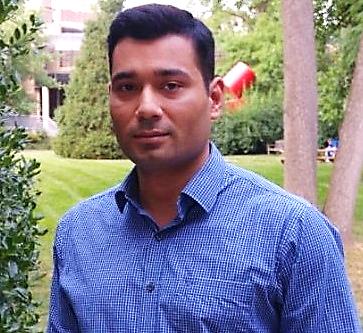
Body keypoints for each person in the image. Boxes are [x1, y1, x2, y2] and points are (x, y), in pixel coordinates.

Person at [47, 4, 362, 332]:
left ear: (214, 99)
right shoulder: (77, 233)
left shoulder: (293, 236)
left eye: (170, 86)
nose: (146, 107)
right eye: (128, 88)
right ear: (110, 97)